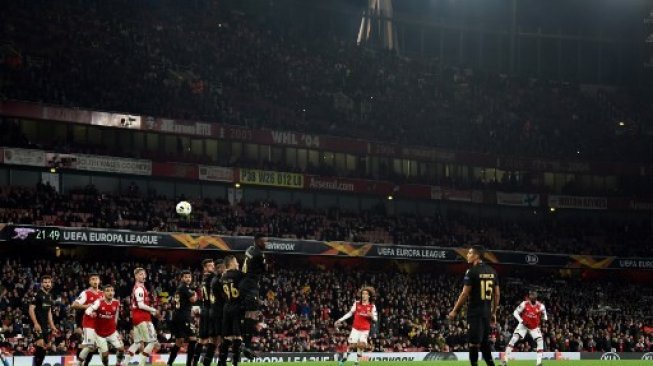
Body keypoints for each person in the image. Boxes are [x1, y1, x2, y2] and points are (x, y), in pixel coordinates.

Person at [448, 245, 500, 366]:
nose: (467, 255)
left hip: (475, 312)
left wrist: (455, 311)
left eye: (470, 253)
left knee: (473, 343)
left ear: (477, 256)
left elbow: (465, 293)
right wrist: (494, 312)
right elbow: (497, 295)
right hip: (487, 312)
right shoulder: (492, 271)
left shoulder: (471, 271)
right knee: (484, 342)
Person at [238, 234, 267, 358]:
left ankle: (245, 344)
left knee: (246, 315)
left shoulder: (249, 249)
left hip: (244, 284)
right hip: (250, 286)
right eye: (264, 241)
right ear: (257, 241)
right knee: (252, 315)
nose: (266, 243)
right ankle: (246, 345)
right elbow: (265, 270)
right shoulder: (260, 254)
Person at [502, 290, 548, 366]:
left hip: (534, 327)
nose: (530, 296)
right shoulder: (524, 303)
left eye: (532, 295)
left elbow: (545, 316)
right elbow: (515, 312)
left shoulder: (541, 306)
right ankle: (504, 361)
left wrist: (544, 318)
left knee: (540, 341)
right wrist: (521, 320)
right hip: (524, 325)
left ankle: (539, 363)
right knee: (513, 339)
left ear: (535, 297)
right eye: (530, 295)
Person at [334, 287, 378, 366]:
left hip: (365, 330)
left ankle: (357, 362)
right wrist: (340, 320)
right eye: (363, 294)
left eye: (366, 294)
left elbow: (375, 319)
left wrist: (371, 316)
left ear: (369, 296)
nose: (364, 295)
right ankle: (344, 359)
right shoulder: (357, 303)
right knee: (351, 346)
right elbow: (350, 313)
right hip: (355, 328)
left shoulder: (372, 306)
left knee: (361, 345)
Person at [85, 284, 125, 366]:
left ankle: (118, 363)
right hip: (100, 334)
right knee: (105, 355)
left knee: (121, 349)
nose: (110, 292)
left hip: (112, 332)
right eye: (108, 291)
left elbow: (116, 313)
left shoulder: (116, 302)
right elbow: (87, 310)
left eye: (112, 290)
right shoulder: (98, 302)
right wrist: (91, 313)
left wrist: (115, 323)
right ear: (103, 293)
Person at [127, 268, 159, 366]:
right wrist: (153, 310)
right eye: (140, 274)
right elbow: (140, 305)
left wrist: (152, 312)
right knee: (153, 341)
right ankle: (142, 364)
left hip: (137, 317)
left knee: (137, 342)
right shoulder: (139, 289)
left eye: (144, 274)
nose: (143, 276)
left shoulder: (140, 287)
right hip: (142, 318)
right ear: (136, 276)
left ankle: (125, 362)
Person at [167, 270, 198, 366]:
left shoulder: (179, 288)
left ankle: (169, 363)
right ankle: (189, 363)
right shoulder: (185, 287)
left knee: (179, 341)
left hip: (176, 316)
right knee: (193, 339)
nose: (188, 279)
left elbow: (174, 302)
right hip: (184, 317)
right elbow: (193, 299)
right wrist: (195, 293)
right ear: (182, 278)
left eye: (189, 277)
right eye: (185, 277)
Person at [71, 273, 103, 366]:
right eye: (93, 279)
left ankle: (83, 362)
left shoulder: (102, 294)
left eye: (96, 279)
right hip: (86, 323)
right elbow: (74, 305)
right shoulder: (85, 293)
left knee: (92, 347)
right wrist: (86, 306)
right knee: (88, 345)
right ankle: (80, 362)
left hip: (98, 325)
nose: (95, 281)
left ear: (99, 281)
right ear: (89, 281)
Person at [219, 256, 244, 366]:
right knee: (237, 336)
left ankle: (222, 362)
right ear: (232, 263)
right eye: (237, 262)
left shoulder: (222, 277)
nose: (238, 264)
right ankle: (235, 363)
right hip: (236, 307)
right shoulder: (238, 274)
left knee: (227, 337)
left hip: (226, 307)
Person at [28, 275, 58, 366]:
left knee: (45, 347)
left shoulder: (49, 296)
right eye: (45, 282)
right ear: (41, 284)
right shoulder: (37, 294)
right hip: (38, 324)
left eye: (49, 282)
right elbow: (31, 309)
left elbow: (49, 312)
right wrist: (35, 323)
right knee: (40, 344)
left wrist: (52, 326)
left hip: (45, 326)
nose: (47, 284)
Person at [196, 259, 216, 366]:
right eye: (210, 266)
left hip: (204, 309)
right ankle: (207, 362)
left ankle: (194, 362)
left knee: (202, 339)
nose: (213, 267)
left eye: (213, 265)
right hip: (210, 310)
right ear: (205, 268)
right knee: (213, 339)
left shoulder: (204, 278)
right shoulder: (212, 278)